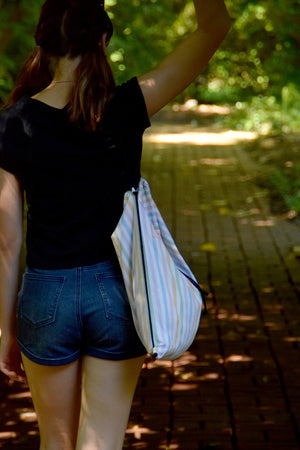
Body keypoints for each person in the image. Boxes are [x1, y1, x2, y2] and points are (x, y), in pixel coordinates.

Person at [0, 0, 231, 448]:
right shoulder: (128, 105)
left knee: (55, 442)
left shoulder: (12, 124)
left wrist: (7, 327)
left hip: (46, 296)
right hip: (118, 293)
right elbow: (214, 27)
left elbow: (8, 242)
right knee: (100, 443)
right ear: (103, 41)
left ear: (44, 45)